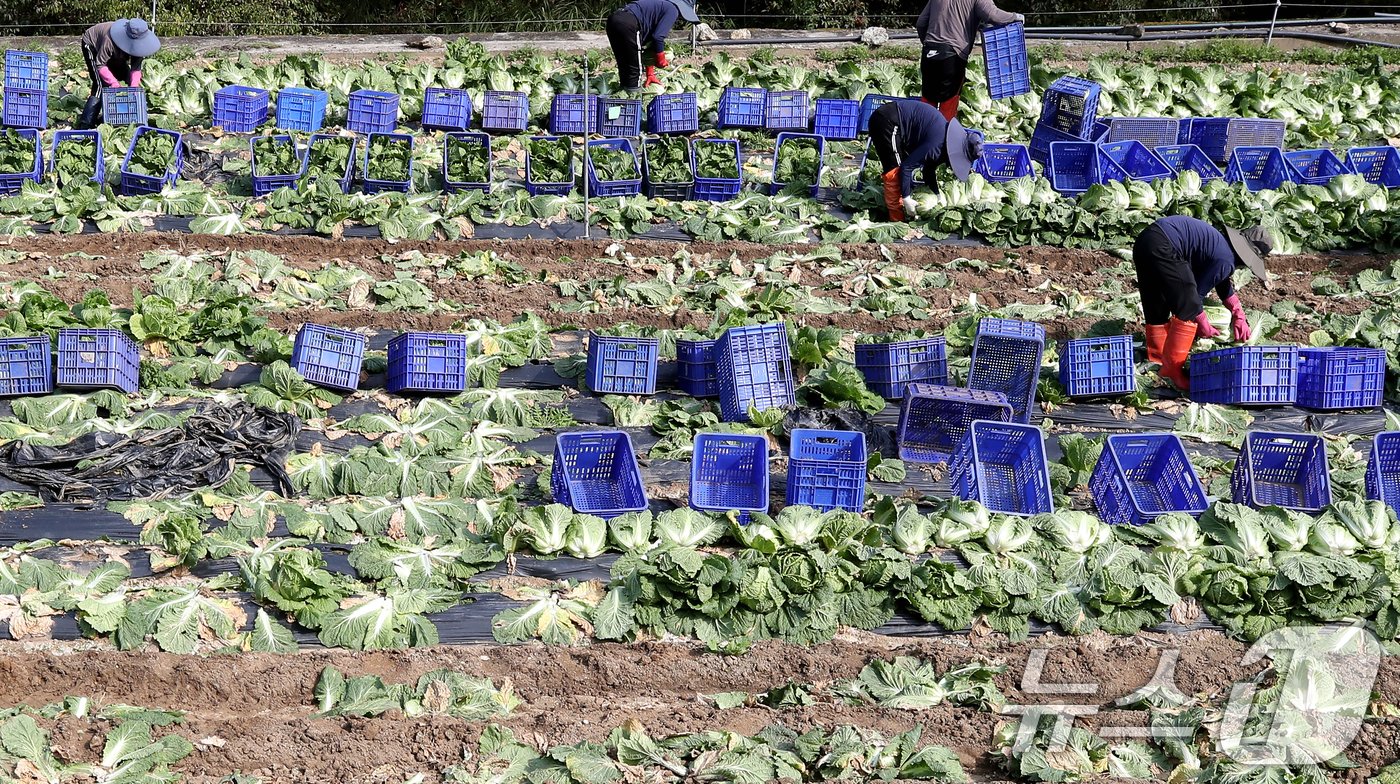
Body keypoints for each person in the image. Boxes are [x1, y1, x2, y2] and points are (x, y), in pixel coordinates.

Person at [1132, 216, 1274, 391]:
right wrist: (1203, 324)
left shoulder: (1221, 248)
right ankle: (1171, 371)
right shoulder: (1225, 260)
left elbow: (1221, 281)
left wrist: (1238, 313)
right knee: (1187, 301)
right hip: (1165, 244)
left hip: (1146, 240)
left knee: (1156, 300)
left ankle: (1156, 360)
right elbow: (1195, 295)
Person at [867, 99, 983, 223]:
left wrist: (937, 194)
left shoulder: (945, 144)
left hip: (897, 124)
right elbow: (906, 167)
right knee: (894, 171)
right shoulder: (936, 146)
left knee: (899, 166)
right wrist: (906, 198)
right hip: (888, 121)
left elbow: (929, 169)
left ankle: (899, 212)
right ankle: (896, 219)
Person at [915, 0, 1023, 121]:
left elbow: (921, 23)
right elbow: (992, 14)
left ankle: (922, 135)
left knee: (928, 100)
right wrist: (1015, 16)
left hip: (929, 52)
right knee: (948, 102)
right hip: (953, 55)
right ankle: (943, 136)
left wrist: (929, 44)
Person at [77, 18, 160, 129]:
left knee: (126, 77)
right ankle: (85, 124)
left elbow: (135, 69)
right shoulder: (109, 40)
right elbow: (100, 64)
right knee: (100, 85)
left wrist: (133, 88)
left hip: (115, 53)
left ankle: (127, 118)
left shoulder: (140, 46)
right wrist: (113, 83)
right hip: (92, 45)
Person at [605, 0, 699, 94]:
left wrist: (650, 73)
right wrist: (660, 58)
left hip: (614, 20)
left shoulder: (659, 6)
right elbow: (658, 37)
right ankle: (633, 100)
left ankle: (621, 97)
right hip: (629, 23)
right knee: (635, 71)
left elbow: (649, 45)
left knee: (624, 64)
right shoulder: (673, 9)